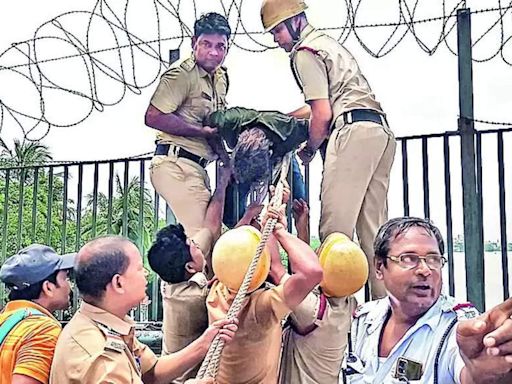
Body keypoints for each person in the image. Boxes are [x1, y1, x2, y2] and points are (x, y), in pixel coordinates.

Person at [261, 0, 397, 299]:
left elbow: (321, 115)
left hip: (350, 134)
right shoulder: (327, 44)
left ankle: (334, 322)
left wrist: (309, 149)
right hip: (378, 131)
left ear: (295, 21)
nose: (276, 39)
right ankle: (384, 317)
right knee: (374, 235)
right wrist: (287, 118)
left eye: (278, 30)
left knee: (334, 234)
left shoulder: (304, 53)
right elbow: (321, 105)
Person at [49, 236, 237, 384]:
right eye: (139, 269)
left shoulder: (106, 325)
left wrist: (204, 344)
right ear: (118, 283)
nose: (146, 274)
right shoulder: (103, 361)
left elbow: (151, 372)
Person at [147, 164, 261, 383]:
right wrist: (248, 217)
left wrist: (222, 183)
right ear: (190, 267)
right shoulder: (194, 299)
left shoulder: (175, 274)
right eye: (194, 246)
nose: (197, 245)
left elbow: (209, 227)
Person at [341, 216, 481, 383]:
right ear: (379, 267)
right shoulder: (363, 320)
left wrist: (485, 371)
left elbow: (472, 372)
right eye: (409, 258)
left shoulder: (458, 327)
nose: (425, 270)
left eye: (433, 259)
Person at [205, 188, 323, 384]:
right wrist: (278, 230)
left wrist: (252, 218)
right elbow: (311, 272)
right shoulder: (263, 307)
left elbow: (232, 250)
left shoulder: (215, 292)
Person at [145, 12, 231, 237]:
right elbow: (154, 116)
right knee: (205, 236)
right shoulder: (181, 74)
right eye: (207, 44)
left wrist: (227, 160)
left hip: (198, 167)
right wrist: (198, 132)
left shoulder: (221, 78)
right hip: (175, 163)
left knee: (213, 234)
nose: (214, 52)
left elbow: (213, 127)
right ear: (194, 43)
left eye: (220, 46)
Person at [278, 200, 363, 384]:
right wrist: (302, 226)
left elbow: (276, 269)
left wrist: (277, 228)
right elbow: (304, 277)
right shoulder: (347, 303)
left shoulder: (310, 312)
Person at [204, 106, 308, 227]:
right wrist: (225, 159)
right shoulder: (228, 120)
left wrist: (309, 150)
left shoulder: (292, 130)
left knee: (300, 204)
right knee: (231, 214)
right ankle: (251, 230)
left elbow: (318, 123)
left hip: (281, 154)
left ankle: (292, 229)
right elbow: (208, 123)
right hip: (243, 162)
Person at [0, 244, 75, 384]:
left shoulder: (5, 320)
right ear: (48, 288)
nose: (69, 286)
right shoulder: (42, 330)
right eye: (65, 279)